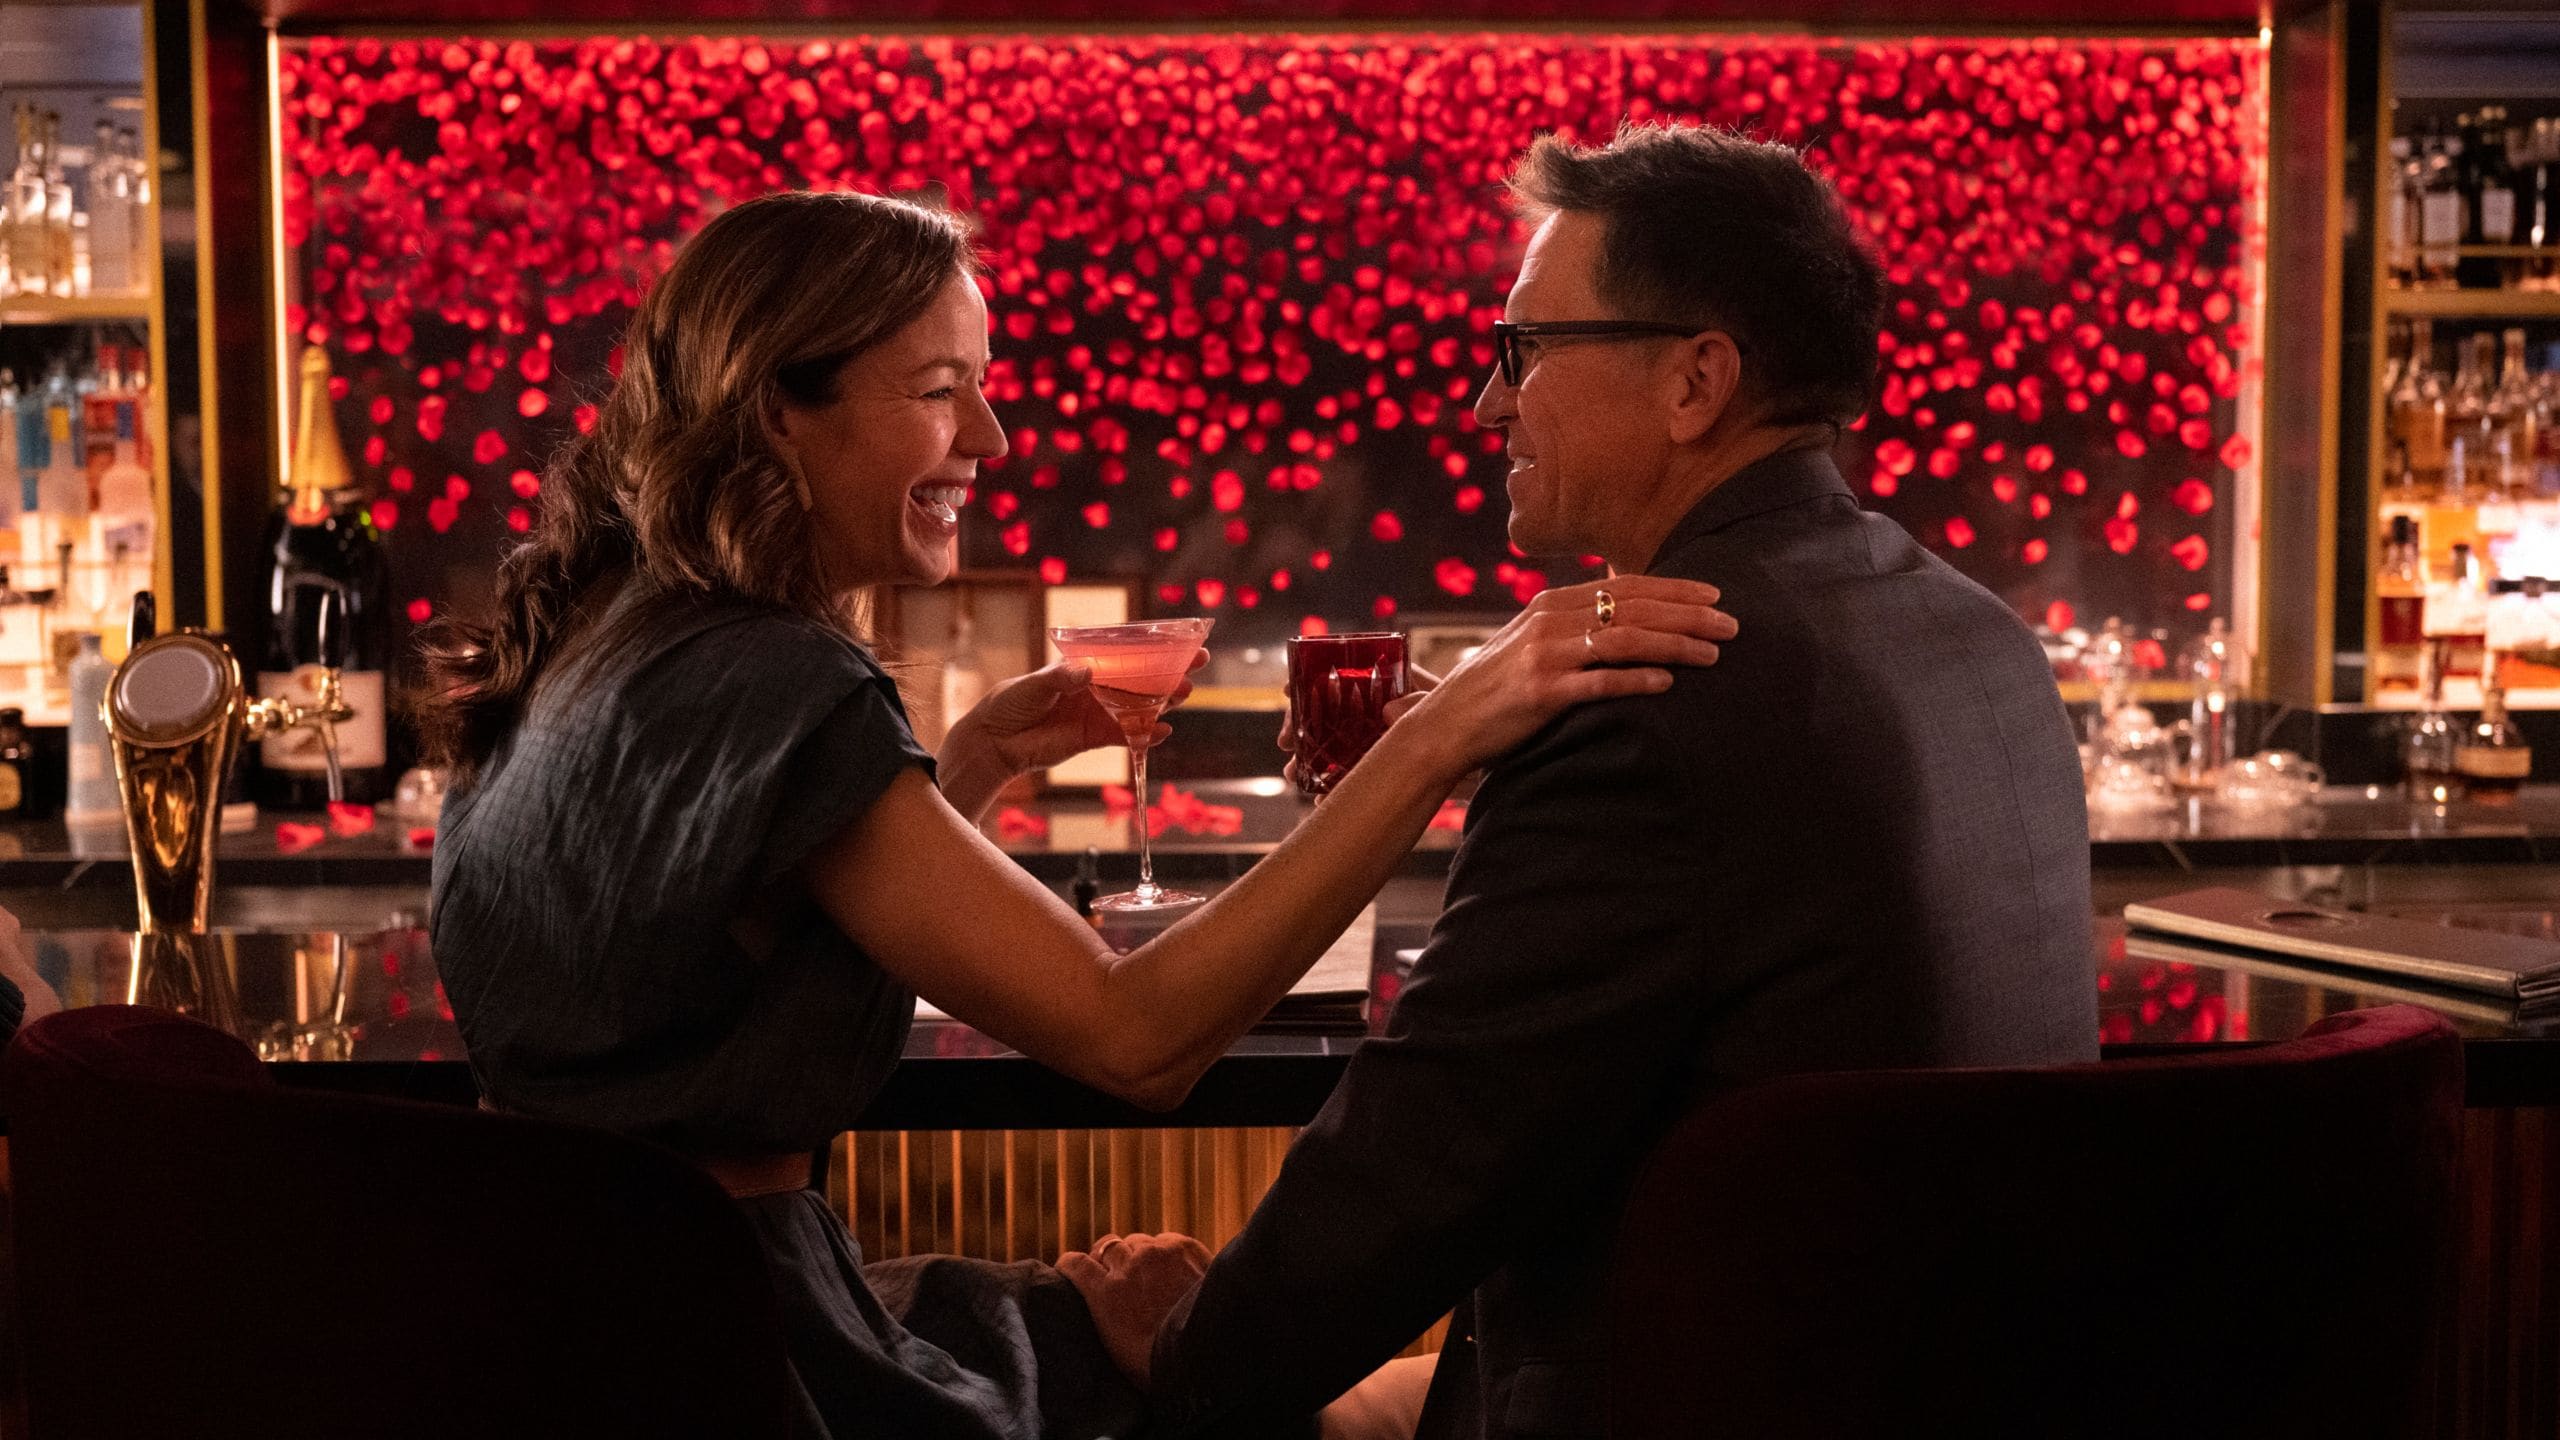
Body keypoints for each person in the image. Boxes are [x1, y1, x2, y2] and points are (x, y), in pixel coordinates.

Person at [417, 188, 1738, 1440]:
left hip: (546, 1330)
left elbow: (719, 954)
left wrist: (970, 765)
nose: (989, 439)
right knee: (1283, 1383)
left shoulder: (594, 635)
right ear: (779, 408)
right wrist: (1438, 738)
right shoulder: (773, 677)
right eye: (942, 392)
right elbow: (1137, 1039)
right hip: (727, 1353)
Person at [1073, 123, 2099, 1440]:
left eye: (1525, 350)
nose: (1487, 403)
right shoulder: (1980, 636)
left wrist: (1187, 1355)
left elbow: (1425, 1160)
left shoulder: (1644, 698)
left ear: (1695, 381)